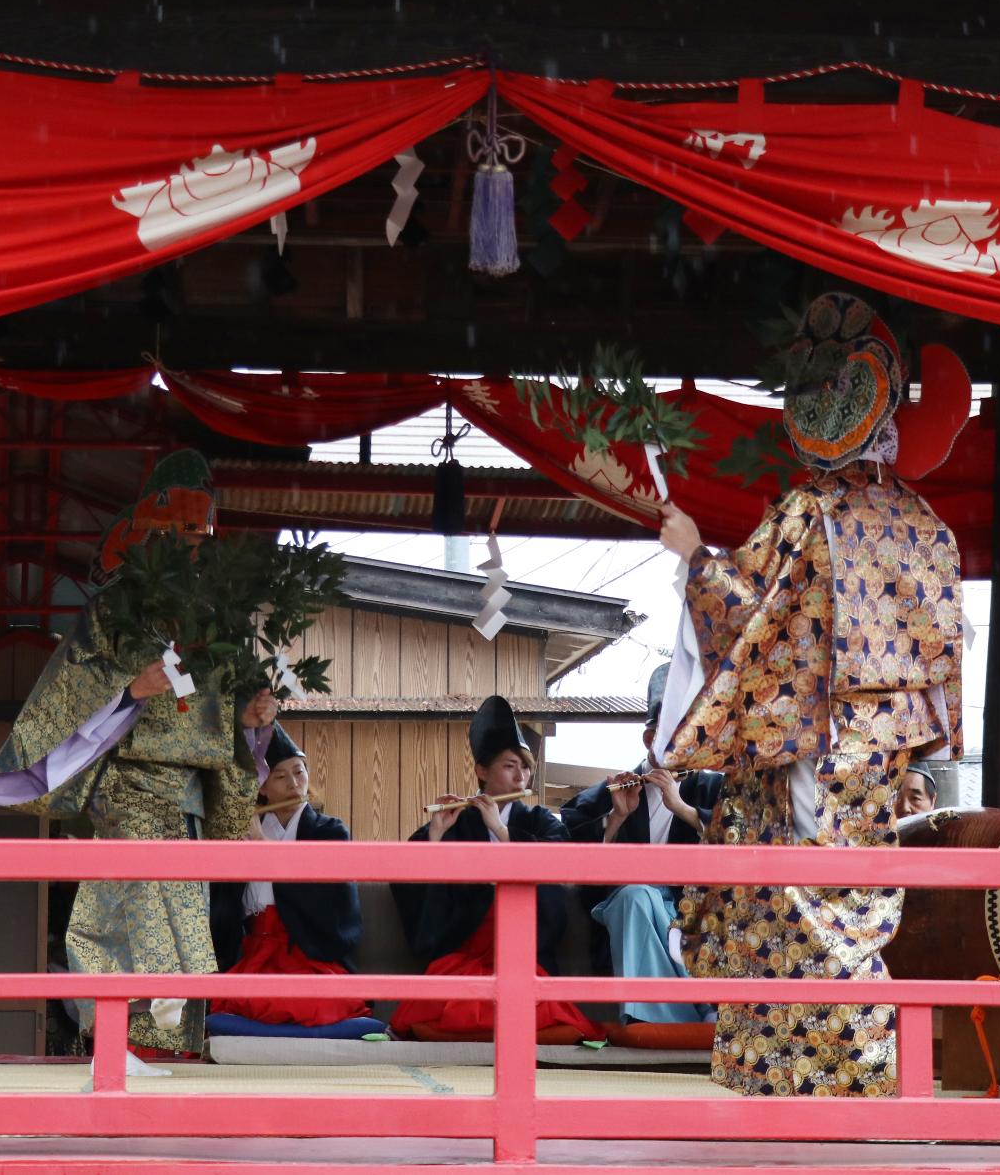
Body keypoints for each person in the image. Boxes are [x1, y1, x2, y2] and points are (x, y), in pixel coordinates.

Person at [658, 291, 964, 1098]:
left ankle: (824, 1069)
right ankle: (845, 1061)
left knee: (795, 892)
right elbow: (943, 650)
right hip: (885, 745)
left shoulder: (809, 514)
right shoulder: (927, 525)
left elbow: (748, 616)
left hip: (815, 735)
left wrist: (693, 555)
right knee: (854, 891)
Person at [0, 605, 256, 1058]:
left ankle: (150, 1017)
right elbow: (69, 703)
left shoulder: (211, 629)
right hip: (125, 792)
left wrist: (246, 727)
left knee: (108, 921)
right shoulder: (115, 620)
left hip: (187, 806)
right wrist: (129, 692)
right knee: (128, 906)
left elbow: (227, 765)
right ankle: (159, 992)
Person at [388, 696, 600, 1043]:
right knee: (446, 1001)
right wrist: (436, 834)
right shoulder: (458, 821)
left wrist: (502, 834)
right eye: (509, 766)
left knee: (534, 1005)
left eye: (525, 767)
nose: (521, 776)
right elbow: (410, 881)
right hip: (468, 946)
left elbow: (561, 860)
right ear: (482, 771)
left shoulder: (538, 820)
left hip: (522, 945)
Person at [559, 664, 722, 1026]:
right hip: (631, 914)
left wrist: (683, 808)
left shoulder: (711, 789)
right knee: (636, 896)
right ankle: (661, 1016)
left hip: (697, 914)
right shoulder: (613, 790)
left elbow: (744, 835)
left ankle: (688, 1009)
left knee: (669, 909)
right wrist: (615, 818)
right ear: (649, 740)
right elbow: (568, 837)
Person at [207, 727, 371, 1029]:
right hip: (255, 955)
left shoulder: (329, 832)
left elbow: (334, 905)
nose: (294, 784)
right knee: (224, 1004)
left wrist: (263, 850)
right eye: (281, 777)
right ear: (263, 788)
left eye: (299, 772)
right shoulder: (245, 833)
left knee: (309, 1003)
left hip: (308, 954)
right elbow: (224, 910)